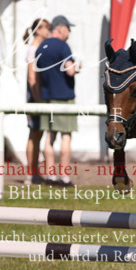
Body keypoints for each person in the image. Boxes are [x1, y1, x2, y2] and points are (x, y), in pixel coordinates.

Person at [34, 15, 81, 187]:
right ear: (60, 28)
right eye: (68, 29)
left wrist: (39, 97)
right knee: (66, 136)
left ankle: (50, 175)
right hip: (64, 98)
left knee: (49, 136)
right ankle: (65, 177)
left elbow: (37, 76)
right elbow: (69, 71)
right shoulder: (63, 46)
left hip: (46, 98)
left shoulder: (40, 47)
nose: (69, 33)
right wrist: (77, 67)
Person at [24, 17, 52, 184]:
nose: (48, 31)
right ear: (37, 30)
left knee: (39, 133)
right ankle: (32, 173)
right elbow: (31, 77)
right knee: (34, 134)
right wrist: (38, 99)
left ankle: (35, 172)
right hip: (35, 97)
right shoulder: (33, 49)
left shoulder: (39, 48)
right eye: (45, 28)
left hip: (39, 96)